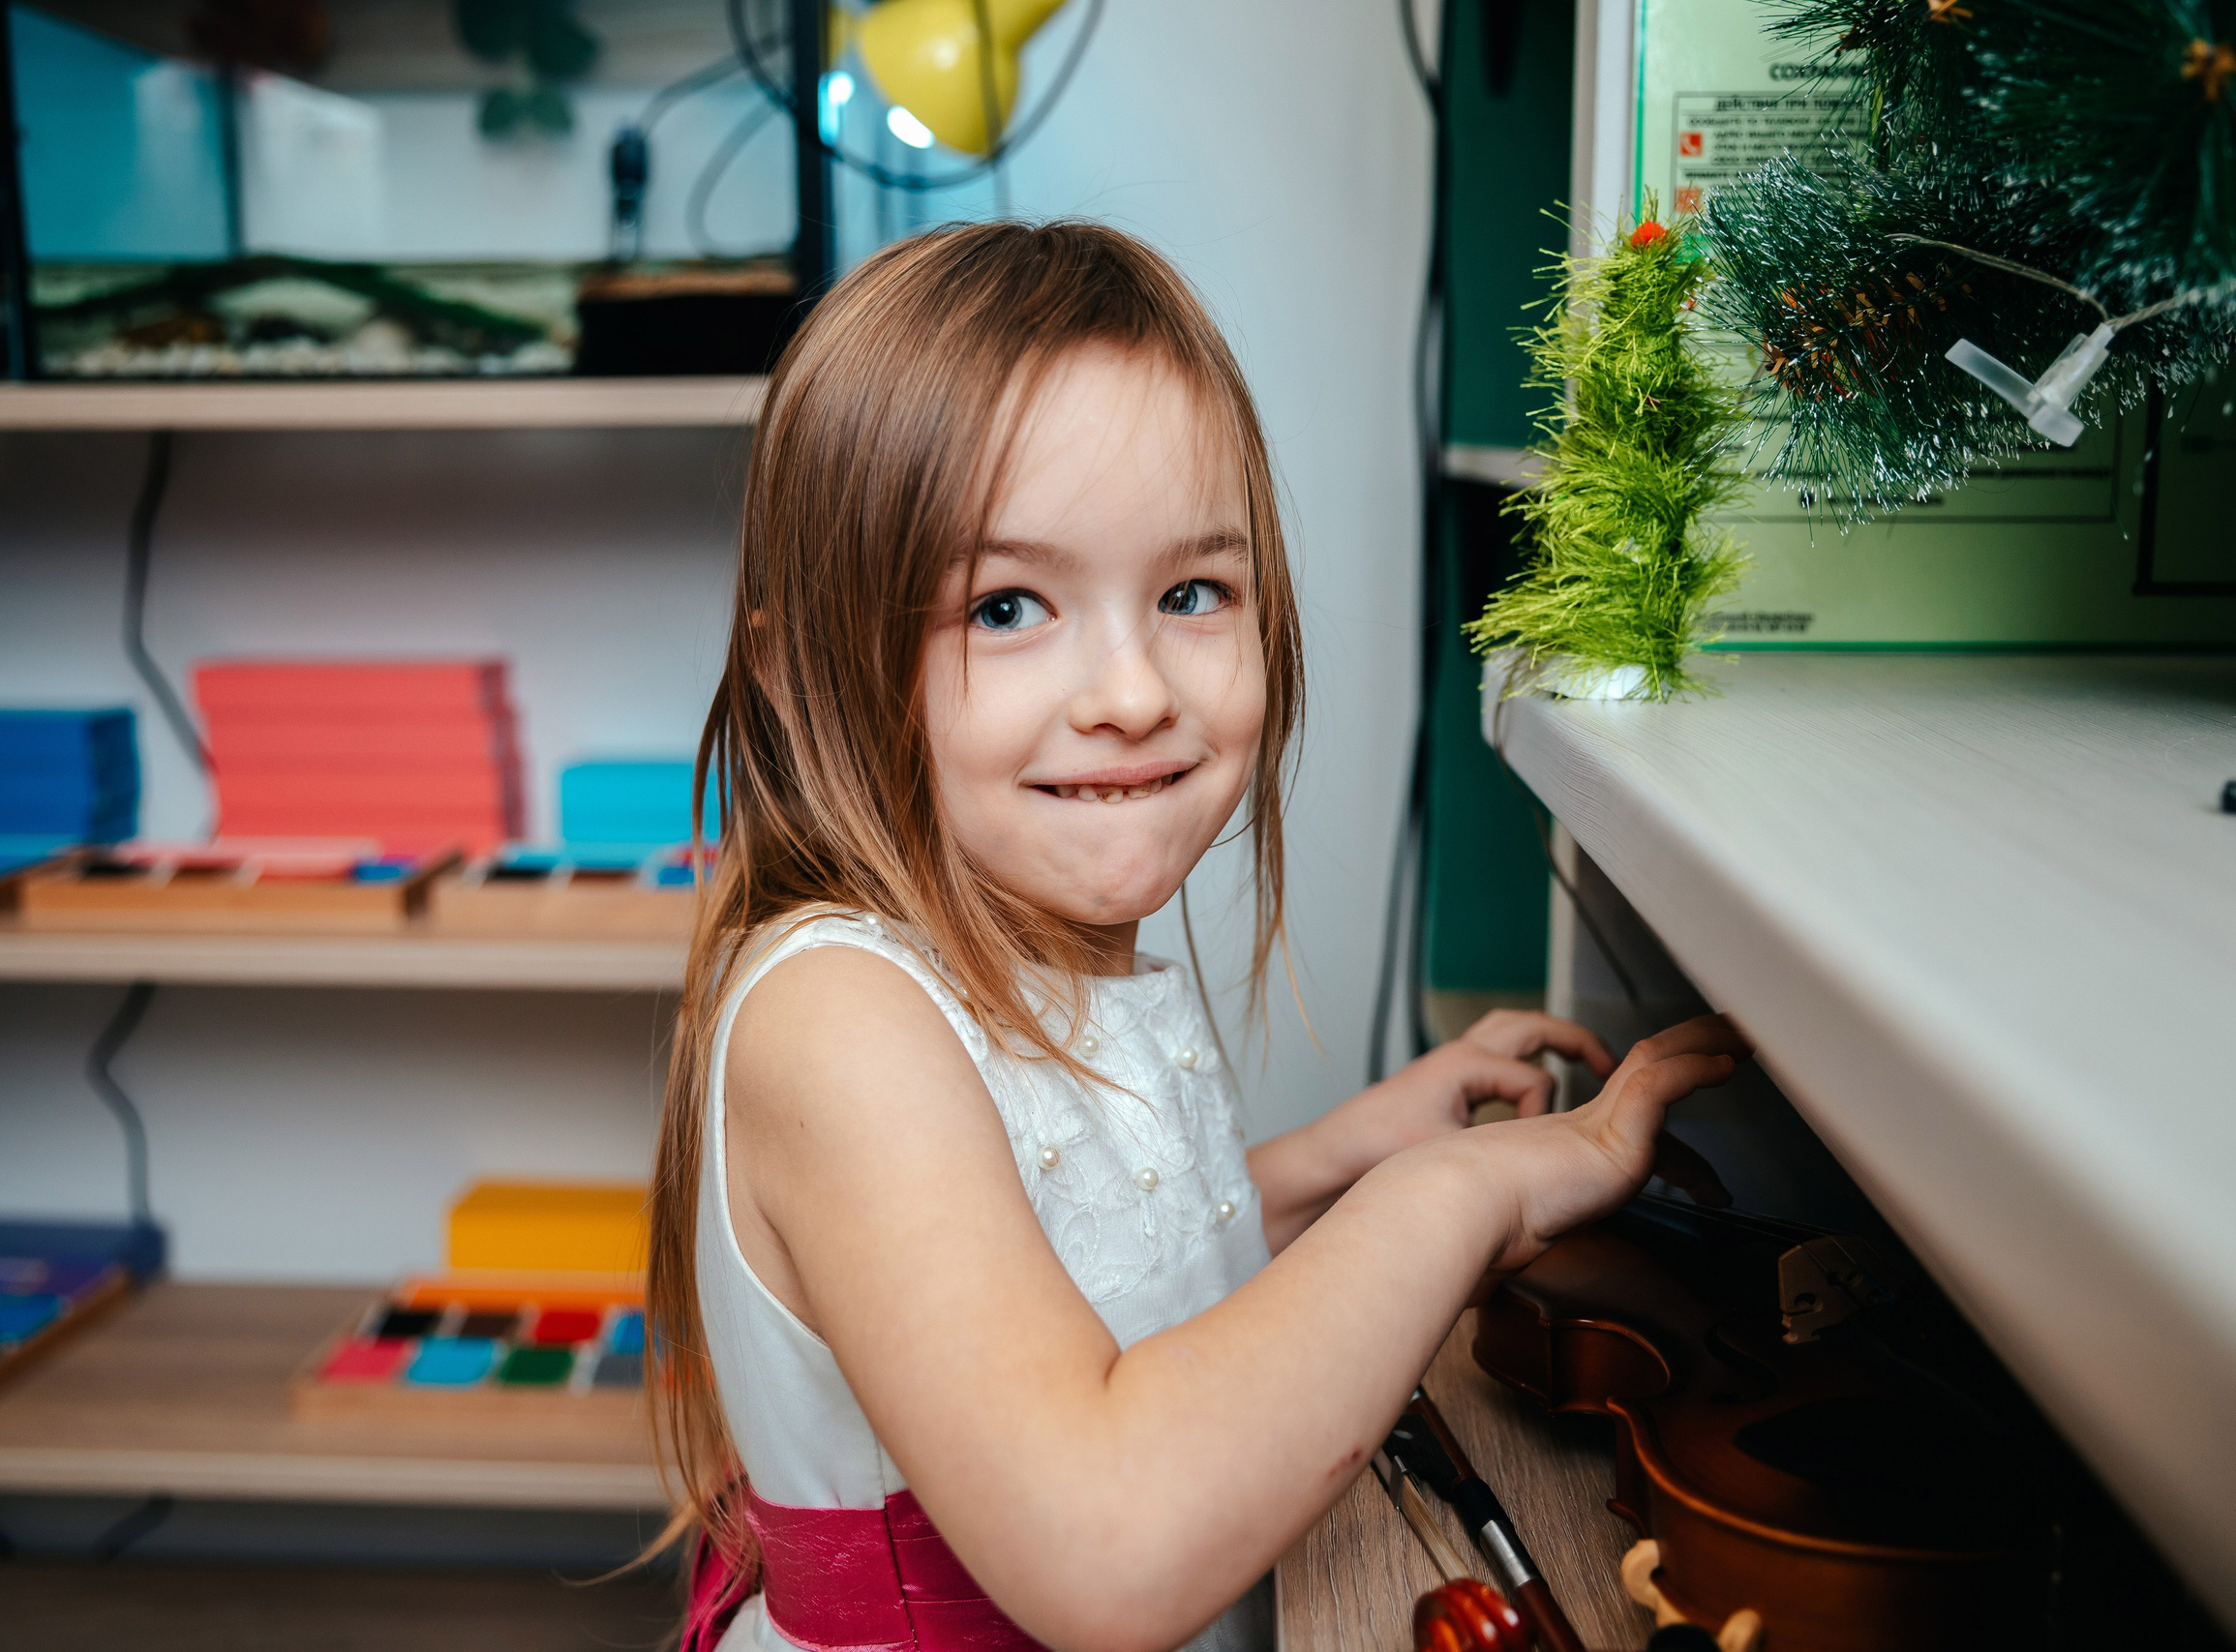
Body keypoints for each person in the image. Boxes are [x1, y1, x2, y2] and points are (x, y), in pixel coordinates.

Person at [648, 220, 1749, 1652]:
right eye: (1007, 606)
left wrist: (1345, 1158)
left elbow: (1114, 1263)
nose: (1133, 692)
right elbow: (1106, 1547)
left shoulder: (1031, 939)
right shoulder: (841, 1022)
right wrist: (1463, 1191)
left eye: (1191, 595)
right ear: (802, 673)